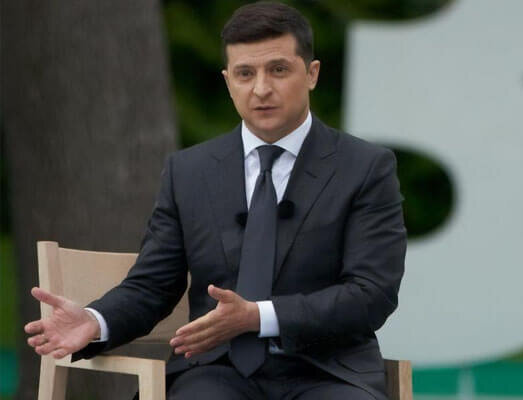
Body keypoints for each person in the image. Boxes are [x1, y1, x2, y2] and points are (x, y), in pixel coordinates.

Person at [23, 2, 406, 399]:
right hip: (214, 371)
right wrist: (95, 320)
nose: (261, 89)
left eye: (278, 69)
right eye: (245, 73)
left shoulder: (366, 168)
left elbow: (371, 293)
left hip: (328, 372)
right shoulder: (189, 171)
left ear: (311, 74)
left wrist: (257, 317)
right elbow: (152, 285)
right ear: (228, 81)